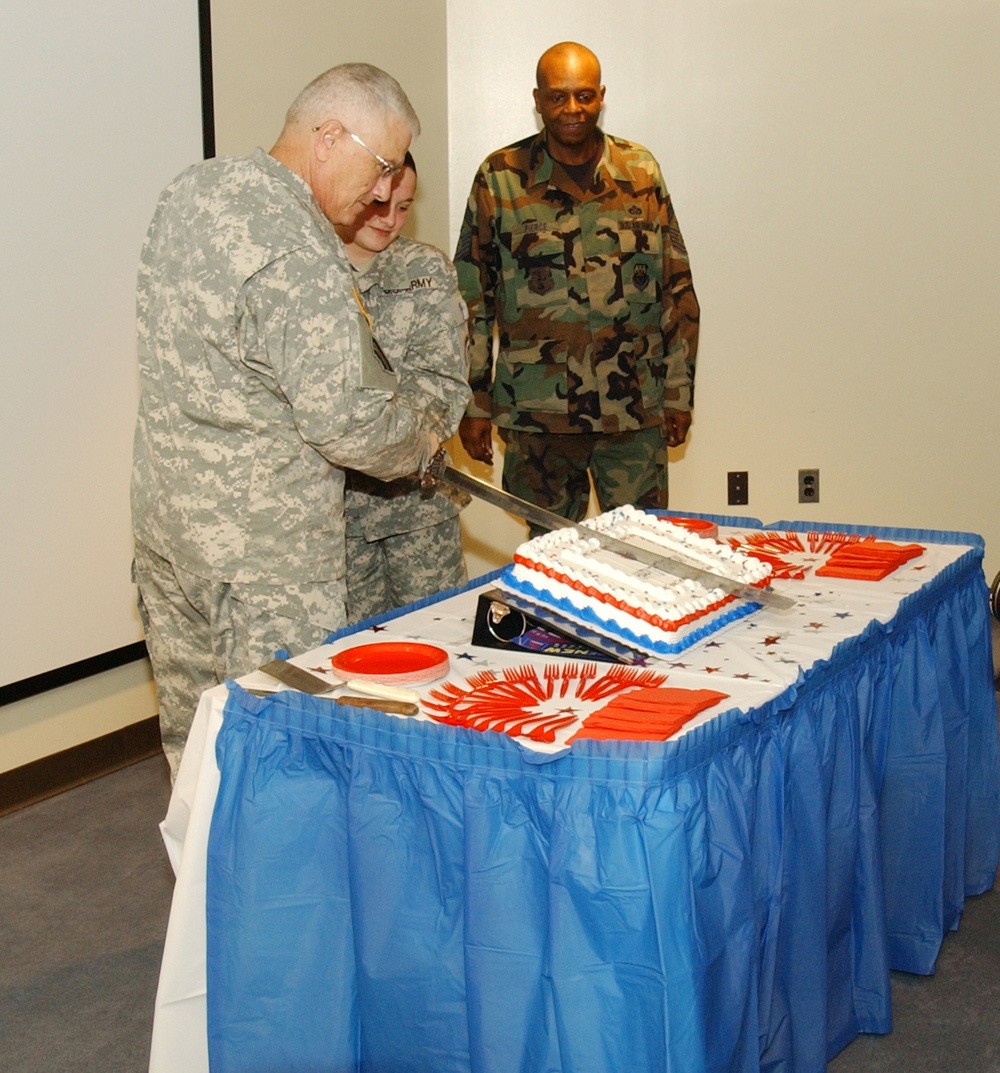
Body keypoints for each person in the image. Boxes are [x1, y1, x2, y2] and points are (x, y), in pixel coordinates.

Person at [131, 64, 457, 780]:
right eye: (381, 167)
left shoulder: (192, 191)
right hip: (262, 564)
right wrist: (424, 443)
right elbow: (350, 419)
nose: (383, 191)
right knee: (284, 767)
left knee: (198, 762)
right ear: (327, 135)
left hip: (171, 538)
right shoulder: (299, 244)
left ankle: (203, 892)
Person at [454, 41, 699, 529]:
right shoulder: (500, 178)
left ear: (601, 95)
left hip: (632, 411)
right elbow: (471, 300)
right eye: (558, 96)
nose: (572, 109)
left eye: (584, 96)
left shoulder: (640, 171)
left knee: (644, 555)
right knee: (549, 563)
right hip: (538, 415)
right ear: (538, 98)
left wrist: (678, 393)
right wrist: (474, 404)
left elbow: (676, 288)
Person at [335, 154, 471, 624]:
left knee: (440, 642)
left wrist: (385, 444)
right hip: (336, 521)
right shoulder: (311, 274)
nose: (390, 220)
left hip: (420, 510)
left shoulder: (426, 269)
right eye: (378, 205)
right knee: (350, 660)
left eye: (404, 207)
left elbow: (444, 384)